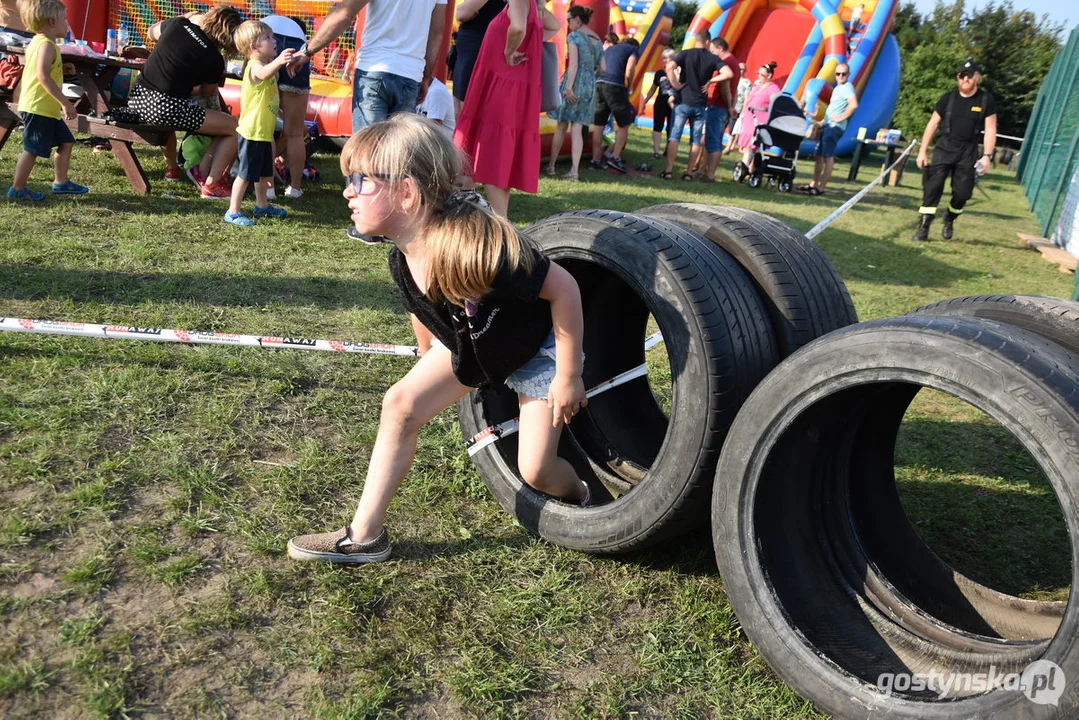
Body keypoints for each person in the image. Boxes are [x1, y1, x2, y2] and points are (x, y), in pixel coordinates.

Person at [287, 114, 588, 565]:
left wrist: (568, 375)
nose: (347, 191)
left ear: (406, 192)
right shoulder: (402, 255)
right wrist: (429, 357)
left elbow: (563, 289)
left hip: (537, 352)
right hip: (476, 346)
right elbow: (425, 310)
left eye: (360, 180)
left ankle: (585, 497)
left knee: (537, 470)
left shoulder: (481, 247)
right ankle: (365, 536)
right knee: (400, 404)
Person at [286, 0, 447, 239]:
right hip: (410, 73)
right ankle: (392, 221)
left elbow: (343, 13)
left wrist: (307, 50)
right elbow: (437, 33)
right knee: (397, 153)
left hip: (375, 69)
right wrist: (426, 75)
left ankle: (368, 226)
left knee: (365, 151)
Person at [455, 0, 560, 217]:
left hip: (501, 83)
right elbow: (554, 26)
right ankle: (493, 218)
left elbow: (518, 26)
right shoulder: (536, 6)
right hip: (513, 85)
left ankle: (501, 224)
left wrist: (510, 50)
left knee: (493, 152)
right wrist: (527, 44)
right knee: (500, 154)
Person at [130, 4, 242, 199]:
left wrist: (187, 16)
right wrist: (190, 88)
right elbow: (208, 94)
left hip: (137, 100)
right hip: (167, 109)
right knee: (235, 127)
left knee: (173, 118)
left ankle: (183, 169)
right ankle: (211, 182)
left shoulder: (178, 24)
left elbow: (151, 32)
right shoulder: (214, 59)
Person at [7, 0, 87, 201]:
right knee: (32, 149)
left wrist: (62, 69)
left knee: (66, 141)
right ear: (52, 21)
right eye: (64, 18)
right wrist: (66, 103)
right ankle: (18, 188)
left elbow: (41, 70)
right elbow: (43, 76)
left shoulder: (40, 41)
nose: (67, 23)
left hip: (44, 109)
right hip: (38, 108)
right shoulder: (46, 45)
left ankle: (61, 182)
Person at [913, 58, 997, 241]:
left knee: (963, 193)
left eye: (969, 76)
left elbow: (990, 128)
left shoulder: (985, 100)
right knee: (932, 188)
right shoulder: (948, 98)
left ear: (977, 78)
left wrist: (987, 156)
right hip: (945, 147)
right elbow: (933, 124)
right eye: (961, 76)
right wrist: (922, 150)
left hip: (968, 152)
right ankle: (923, 227)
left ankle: (949, 218)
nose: (964, 79)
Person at [223, 20, 293, 226]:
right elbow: (262, 75)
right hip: (252, 131)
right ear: (254, 46)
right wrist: (279, 61)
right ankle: (233, 211)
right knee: (245, 174)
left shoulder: (268, 67)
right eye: (268, 38)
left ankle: (261, 206)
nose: (275, 41)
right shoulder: (255, 66)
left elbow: (267, 93)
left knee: (264, 172)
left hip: (263, 131)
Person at [545, 4, 603, 180]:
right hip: (590, 86)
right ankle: (574, 171)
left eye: (569, 20)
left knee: (561, 126)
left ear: (577, 19)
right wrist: (590, 77)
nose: (568, 23)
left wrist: (569, 87)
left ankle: (552, 166)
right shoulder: (597, 40)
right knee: (578, 128)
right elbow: (603, 68)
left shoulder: (575, 37)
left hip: (575, 83)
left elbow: (574, 65)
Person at [660, 29, 719, 181]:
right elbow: (728, 73)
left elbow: (669, 67)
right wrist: (711, 81)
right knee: (696, 140)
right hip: (700, 103)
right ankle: (688, 173)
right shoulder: (712, 58)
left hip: (683, 101)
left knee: (675, 136)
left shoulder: (685, 54)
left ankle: (668, 170)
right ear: (707, 42)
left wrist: (676, 85)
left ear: (697, 40)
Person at [262, 14, 309, 199]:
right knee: (296, 132)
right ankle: (295, 188)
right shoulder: (297, 31)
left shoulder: (267, 26)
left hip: (264, 37)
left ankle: (269, 187)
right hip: (298, 47)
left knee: (265, 129)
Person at [802, 61, 857, 196]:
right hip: (828, 125)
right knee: (819, 156)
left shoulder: (848, 87)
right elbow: (833, 110)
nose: (841, 76)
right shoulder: (837, 89)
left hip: (835, 127)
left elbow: (854, 105)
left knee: (828, 157)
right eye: (838, 74)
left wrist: (840, 118)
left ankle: (821, 188)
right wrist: (820, 122)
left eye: (844, 74)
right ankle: (814, 184)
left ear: (848, 74)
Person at [589, 36, 638, 173]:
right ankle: (615, 158)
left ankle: (596, 159)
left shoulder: (609, 49)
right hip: (615, 85)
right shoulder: (632, 50)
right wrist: (629, 85)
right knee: (624, 124)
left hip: (600, 83)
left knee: (599, 126)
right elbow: (630, 69)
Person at [452, 0, 506, 116]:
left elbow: (461, 13)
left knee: (467, 113)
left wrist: (465, 10)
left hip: (478, 51)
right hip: (474, 49)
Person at [734, 61, 780, 179]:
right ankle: (749, 170)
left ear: (769, 76)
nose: (758, 76)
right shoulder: (757, 87)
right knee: (749, 147)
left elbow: (775, 104)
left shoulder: (773, 88)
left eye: (761, 74)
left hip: (759, 120)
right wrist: (743, 114)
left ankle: (744, 170)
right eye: (758, 74)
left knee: (752, 146)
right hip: (750, 119)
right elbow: (748, 100)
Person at [702, 36, 739, 182]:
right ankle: (706, 171)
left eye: (712, 50)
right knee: (713, 139)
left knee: (714, 141)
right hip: (723, 107)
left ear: (720, 49)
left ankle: (709, 175)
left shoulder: (725, 63)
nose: (711, 54)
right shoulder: (734, 62)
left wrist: (729, 106)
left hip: (718, 106)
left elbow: (725, 87)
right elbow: (733, 89)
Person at [641, 48, 675, 159]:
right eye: (663, 58)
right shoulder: (659, 73)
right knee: (657, 126)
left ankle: (668, 150)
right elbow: (652, 89)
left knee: (672, 128)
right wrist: (645, 102)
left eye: (667, 58)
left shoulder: (678, 73)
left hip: (673, 104)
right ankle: (656, 152)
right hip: (660, 102)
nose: (665, 60)